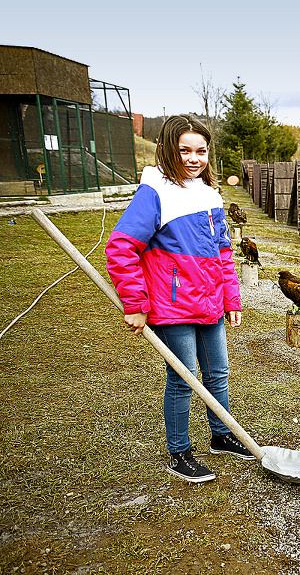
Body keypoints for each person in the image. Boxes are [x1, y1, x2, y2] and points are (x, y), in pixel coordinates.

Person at [106, 115, 252, 483]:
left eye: (201, 151)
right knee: (184, 379)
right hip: (173, 308)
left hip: (210, 303)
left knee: (218, 373)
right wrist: (136, 305)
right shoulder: (155, 192)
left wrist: (231, 298)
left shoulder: (209, 195)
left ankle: (221, 436)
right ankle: (179, 453)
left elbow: (222, 252)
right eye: (184, 150)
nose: (193, 158)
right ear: (167, 149)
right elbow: (121, 247)